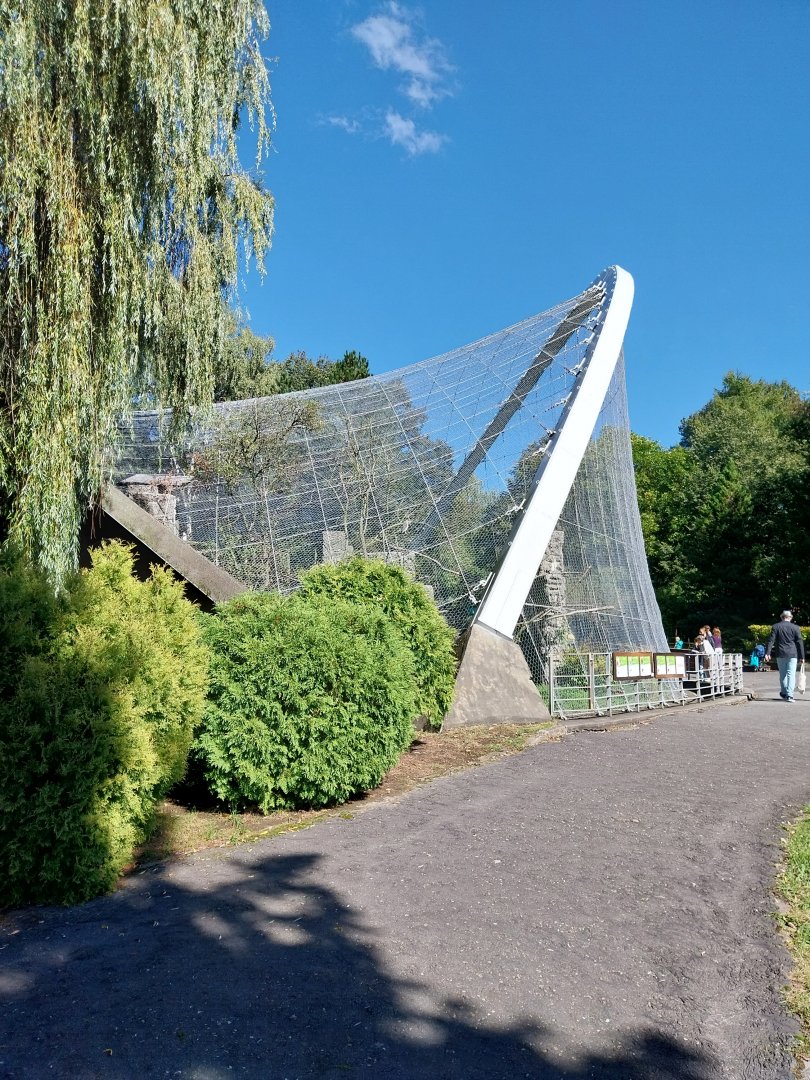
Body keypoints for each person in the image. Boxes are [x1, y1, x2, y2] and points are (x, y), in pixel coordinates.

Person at [765, 611, 805, 702]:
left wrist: (768, 653)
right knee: (791, 675)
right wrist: (802, 656)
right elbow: (799, 642)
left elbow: (771, 640)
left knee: (783, 675)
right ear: (790, 617)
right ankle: (790, 695)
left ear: (781, 617)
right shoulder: (795, 627)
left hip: (780, 653)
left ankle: (784, 692)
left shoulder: (776, 626)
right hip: (792, 654)